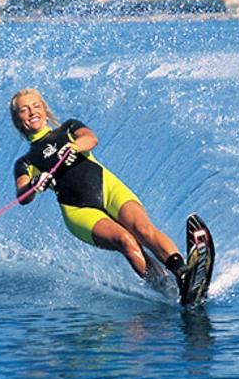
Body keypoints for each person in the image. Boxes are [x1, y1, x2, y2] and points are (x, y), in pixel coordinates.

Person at [10, 88, 187, 286]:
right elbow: (22, 196)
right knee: (125, 240)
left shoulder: (68, 128)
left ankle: (182, 273)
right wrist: (35, 184)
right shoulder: (25, 162)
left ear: (44, 110)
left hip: (107, 188)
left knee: (142, 230)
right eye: (25, 110)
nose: (32, 112)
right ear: (18, 120)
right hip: (78, 210)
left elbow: (91, 138)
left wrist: (75, 146)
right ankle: (164, 288)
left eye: (36, 106)